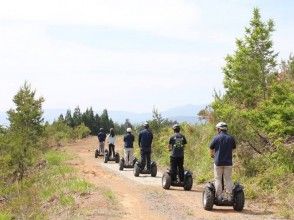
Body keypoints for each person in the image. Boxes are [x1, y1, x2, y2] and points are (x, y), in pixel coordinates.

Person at [210, 122, 236, 200]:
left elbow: (211, 148)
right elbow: (233, 148)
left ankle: (219, 196)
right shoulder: (231, 138)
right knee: (228, 179)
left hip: (218, 162)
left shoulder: (216, 138)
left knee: (217, 179)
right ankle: (229, 196)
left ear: (219, 129)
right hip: (228, 162)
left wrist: (212, 155)